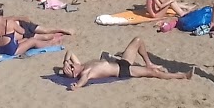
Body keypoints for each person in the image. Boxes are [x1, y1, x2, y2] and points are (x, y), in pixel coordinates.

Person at [59, 38, 191, 90]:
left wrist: (65, 61)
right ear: (75, 72)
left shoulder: (81, 64)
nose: (72, 64)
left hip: (120, 62)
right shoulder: (85, 72)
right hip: (122, 71)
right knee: (154, 73)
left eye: (71, 64)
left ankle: (149, 62)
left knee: (138, 40)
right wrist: (76, 86)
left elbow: (70, 51)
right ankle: (182, 76)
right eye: (71, 67)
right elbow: (81, 82)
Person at [0, 4, 70, 57]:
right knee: (32, 41)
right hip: (12, 51)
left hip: (1, 50)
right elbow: (22, 32)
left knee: (25, 40)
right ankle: (49, 43)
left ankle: (52, 38)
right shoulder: (10, 23)